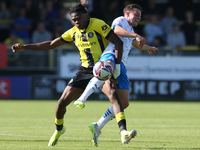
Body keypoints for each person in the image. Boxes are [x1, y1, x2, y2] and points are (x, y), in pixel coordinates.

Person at [11, 3, 134, 147]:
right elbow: (51, 44)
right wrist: (25, 47)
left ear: (86, 16)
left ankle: (123, 131)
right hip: (84, 71)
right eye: (74, 20)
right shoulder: (73, 32)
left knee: (114, 96)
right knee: (61, 103)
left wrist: (115, 66)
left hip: (102, 68)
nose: (77, 22)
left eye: (79, 19)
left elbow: (117, 42)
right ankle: (59, 129)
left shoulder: (97, 24)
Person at [74, 4, 159, 146]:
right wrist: (136, 35)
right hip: (111, 54)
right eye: (136, 14)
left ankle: (97, 126)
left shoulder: (130, 30)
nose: (139, 17)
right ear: (127, 14)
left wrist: (149, 48)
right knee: (104, 71)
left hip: (122, 64)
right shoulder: (121, 21)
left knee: (124, 102)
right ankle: (82, 98)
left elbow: (135, 44)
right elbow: (117, 31)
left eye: (140, 15)